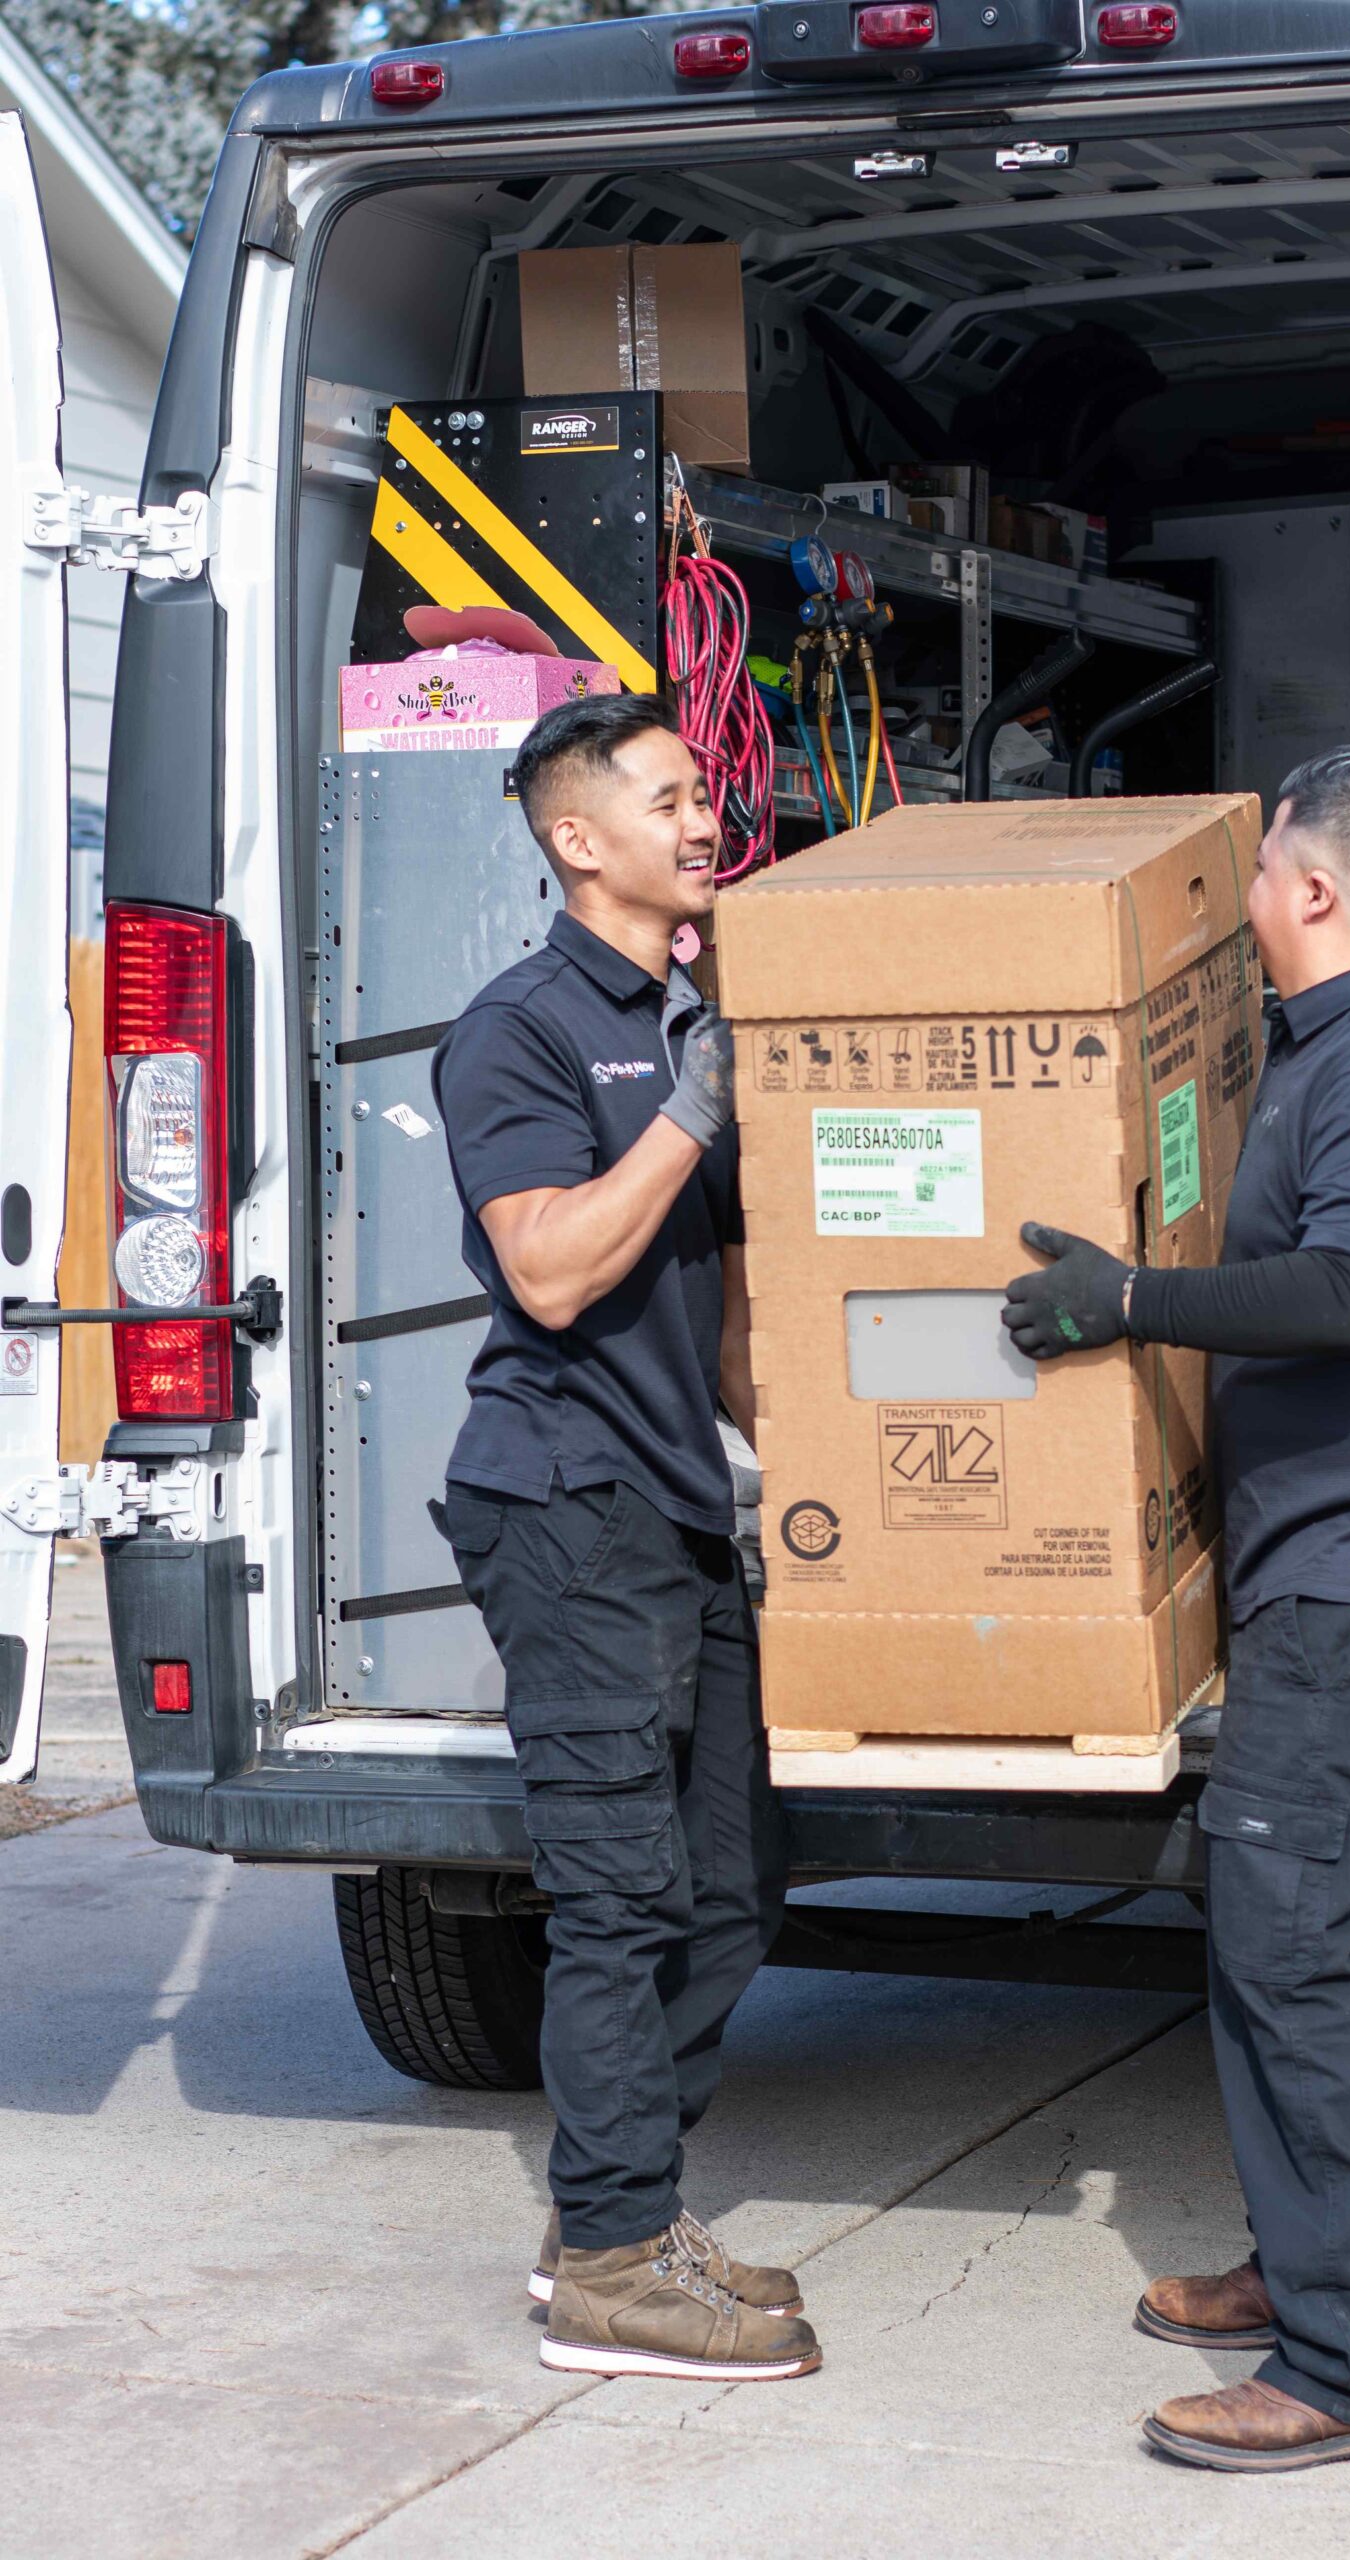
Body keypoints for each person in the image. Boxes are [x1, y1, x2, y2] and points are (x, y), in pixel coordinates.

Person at [1002, 748, 1350, 2471]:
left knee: (1291, 1943)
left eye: (1256, 879)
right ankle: (1306, 2265)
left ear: (1309, 891)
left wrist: (1129, 1302)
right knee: (1333, 1945)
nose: (1241, 910)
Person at [430, 692, 819, 2384]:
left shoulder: (685, 1021)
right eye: (667, 795)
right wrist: (691, 1102)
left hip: (675, 1507)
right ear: (578, 840)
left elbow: (723, 1333)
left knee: (731, 1888)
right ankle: (608, 2269)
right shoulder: (519, 1030)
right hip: (563, 1502)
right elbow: (554, 1270)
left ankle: (620, 2207)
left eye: (701, 789)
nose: (700, 814)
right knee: (617, 1894)